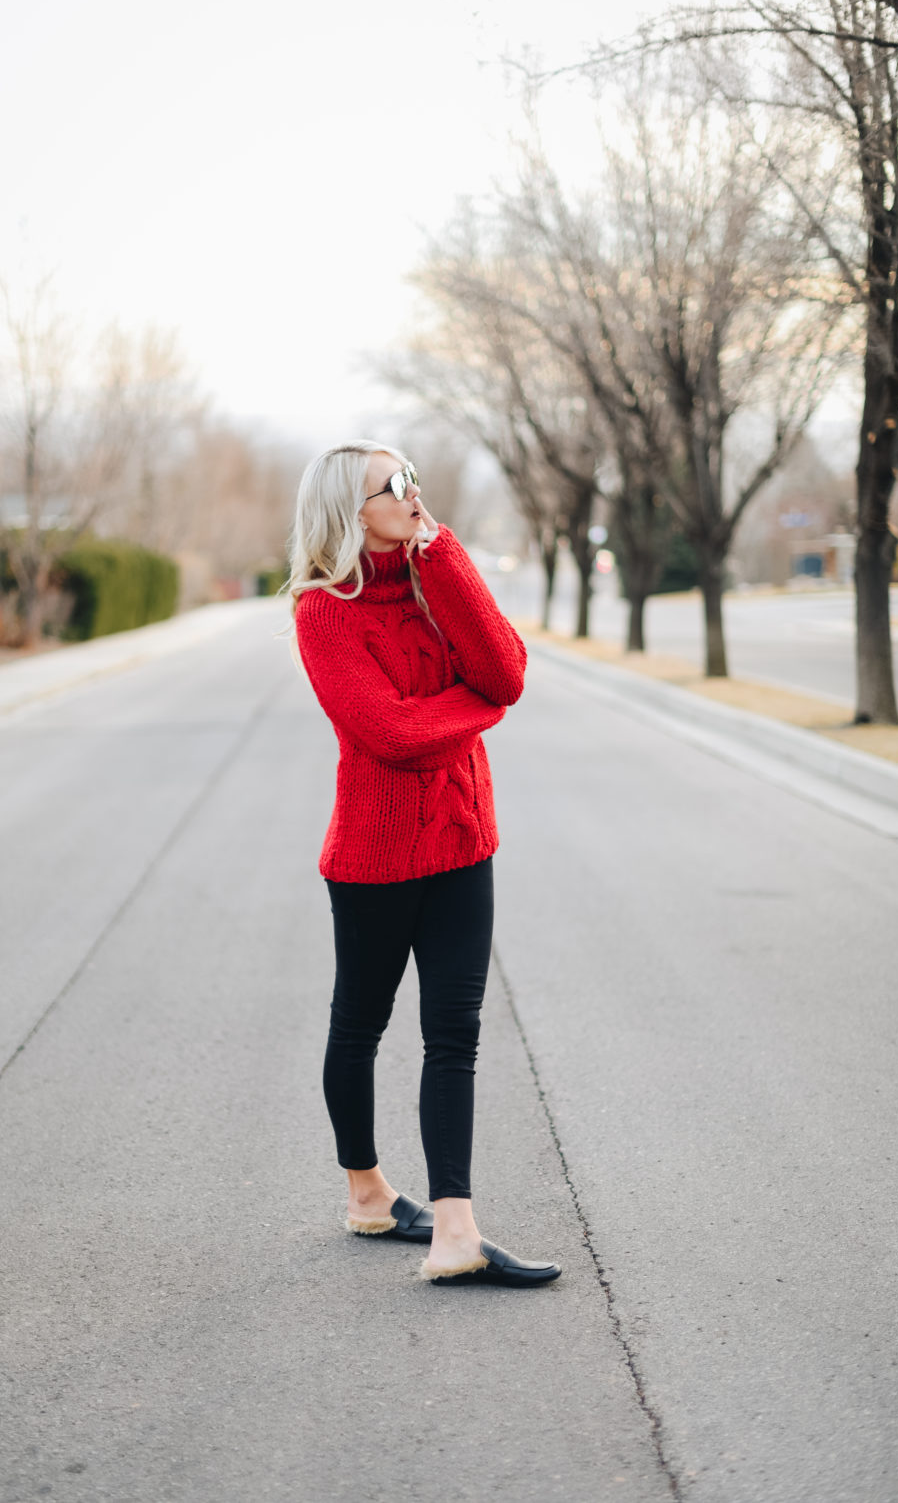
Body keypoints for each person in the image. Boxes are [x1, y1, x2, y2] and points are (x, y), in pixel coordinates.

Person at [286, 440, 560, 1288]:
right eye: (391, 486)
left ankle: (455, 1231)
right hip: (373, 859)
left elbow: (506, 670)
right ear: (349, 511)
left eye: (412, 480)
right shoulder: (324, 613)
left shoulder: (435, 576)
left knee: (456, 1035)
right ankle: (366, 1192)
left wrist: (443, 553)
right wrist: (477, 707)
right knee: (359, 1027)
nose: (412, 495)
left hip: (461, 844)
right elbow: (394, 736)